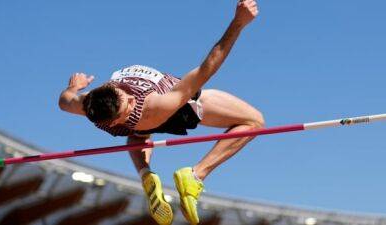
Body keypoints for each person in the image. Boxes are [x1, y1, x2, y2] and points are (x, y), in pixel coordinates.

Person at [58, 1, 262, 224]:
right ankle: (195, 175)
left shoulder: (88, 104)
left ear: (109, 88)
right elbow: (208, 66)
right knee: (253, 121)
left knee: (136, 136)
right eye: (129, 105)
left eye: (125, 96)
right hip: (175, 109)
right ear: (116, 119)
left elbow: (64, 101)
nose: (132, 98)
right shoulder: (153, 104)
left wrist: (74, 88)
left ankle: (145, 174)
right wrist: (238, 23)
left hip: (138, 123)